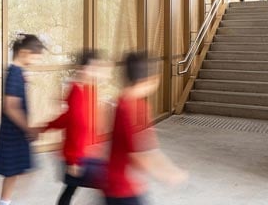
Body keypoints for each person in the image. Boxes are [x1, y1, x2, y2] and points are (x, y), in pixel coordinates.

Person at [104, 52, 188, 205]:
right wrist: (167, 174)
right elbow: (142, 153)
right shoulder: (138, 108)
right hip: (126, 187)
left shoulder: (120, 101)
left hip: (113, 181)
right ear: (151, 79)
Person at [42, 50, 106, 205]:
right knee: (106, 183)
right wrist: (73, 161)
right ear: (83, 68)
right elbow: (73, 123)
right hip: (76, 156)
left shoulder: (88, 89)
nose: (97, 72)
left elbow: (70, 118)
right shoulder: (76, 91)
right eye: (94, 68)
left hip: (85, 152)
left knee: (71, 189)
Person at [0, 34, 45, 205]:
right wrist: (29, 128)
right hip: (13, 133)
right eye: (35, 57)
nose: (36, 61)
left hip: (16, 132)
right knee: (13, 171)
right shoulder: (15, 74)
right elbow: (10, 107)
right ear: (23, 53)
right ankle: (4, 202)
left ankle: (5, 200)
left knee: (15, 171)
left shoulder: (18, 72)